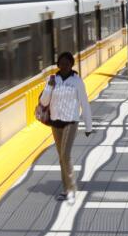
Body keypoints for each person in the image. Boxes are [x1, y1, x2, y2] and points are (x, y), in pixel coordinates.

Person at [38, 51, 93, 203]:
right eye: (61, 63)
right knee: (62, 158)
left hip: (71, 122)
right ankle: (65, 188)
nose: (64, 66)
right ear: (58, 65)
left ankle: (71, 189)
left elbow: (84, 103)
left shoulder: (77, 81)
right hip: (55, 123)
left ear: (71, 65)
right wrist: (49, 87)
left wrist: (89, 126)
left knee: (65, 155)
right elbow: (43, 102)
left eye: (67, 63)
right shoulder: (52, 79)